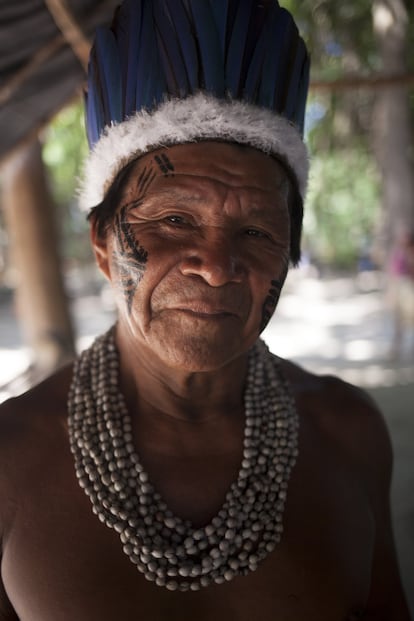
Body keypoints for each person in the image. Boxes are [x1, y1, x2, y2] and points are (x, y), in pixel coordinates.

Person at [0, 1, 410, 619]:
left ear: (289, 253)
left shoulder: (348, 432)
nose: (216, 266)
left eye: (256, 232)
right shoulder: (10, 459)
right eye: (173, 219)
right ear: (104, 246)